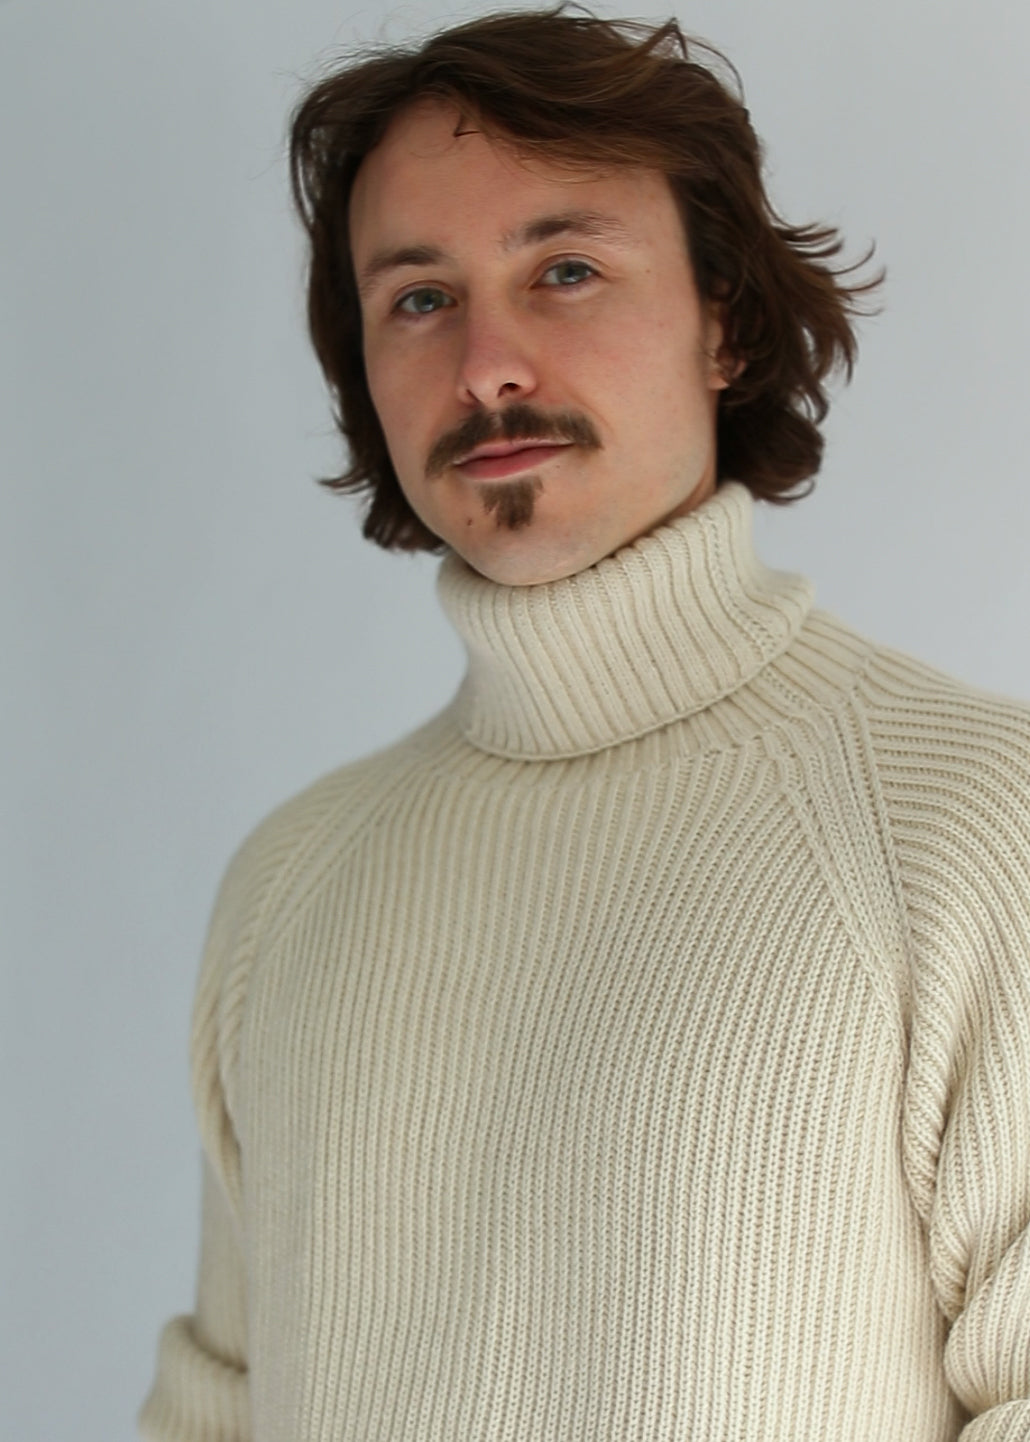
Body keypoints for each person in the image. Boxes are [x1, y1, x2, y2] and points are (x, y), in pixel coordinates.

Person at [139, 7, 1030, 1440]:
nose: (487, 364)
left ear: (725, 322)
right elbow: (216, 1414)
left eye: (564, 271)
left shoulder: (976, 823)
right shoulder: (289, 885)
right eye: (418, 297)